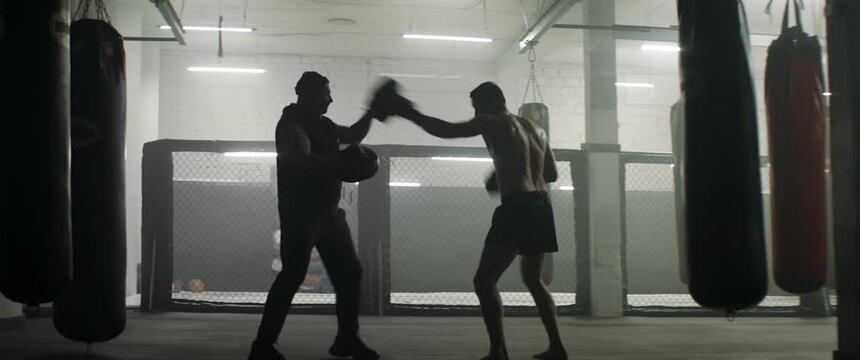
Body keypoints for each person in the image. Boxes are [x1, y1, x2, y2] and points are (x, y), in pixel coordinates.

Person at [397, 82, 568, 360]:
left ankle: (497, 351)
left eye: (476, 106)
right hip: (540, 206)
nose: (475, 112)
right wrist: (504, 168)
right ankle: (557, 348)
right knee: (534, 280)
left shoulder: (491, 121)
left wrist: (408, 112)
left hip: (516, 208)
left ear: (488, 104)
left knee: (484, 280)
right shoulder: (535, 128)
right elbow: (550, 173)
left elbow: (446, 131)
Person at [248, 71, 383, 360]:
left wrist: (372, 111)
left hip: (330, 214)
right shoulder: (291, 126)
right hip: (301, 214)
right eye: (325, 93)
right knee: (292, 275)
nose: (331, 99)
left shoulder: (324, 124)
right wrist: (341, 161)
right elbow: (302, 162)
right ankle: (262, 346)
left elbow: (352, 135)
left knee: (349, 274)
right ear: (306, 93)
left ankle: (347, 339)